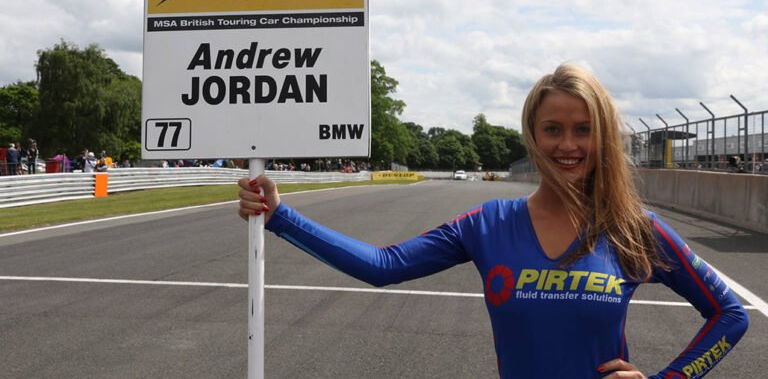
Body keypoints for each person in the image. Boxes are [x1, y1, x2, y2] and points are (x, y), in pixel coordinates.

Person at [237, 64, 749, 378]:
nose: (567, 145)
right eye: (553, 128)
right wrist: (282, 217)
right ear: (531, 133)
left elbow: (731, 313)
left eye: (583, 130)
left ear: (603, 138)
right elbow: (383, 265)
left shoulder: (635, 226)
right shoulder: (486, 223)